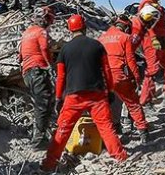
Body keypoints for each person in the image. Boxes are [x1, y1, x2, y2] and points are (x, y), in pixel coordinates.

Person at [41, 15, 126, 171]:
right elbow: (107, 71)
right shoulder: (97, 45)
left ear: (70, 29)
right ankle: (120, 158)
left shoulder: (65, 49)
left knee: (63, 129)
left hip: (74, 96)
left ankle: (49, 164)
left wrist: (59, 97)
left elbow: (61, 77)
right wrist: (110, 90)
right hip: (97, 95)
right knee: (106, 128)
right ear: (85, 27)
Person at [98, 13, 150, 144]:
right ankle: (143, 132)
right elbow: (131, 60)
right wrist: (137, 78)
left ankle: (111, 132)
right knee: (133, 104)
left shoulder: (102, 38)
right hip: (119, 75)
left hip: (104, 76)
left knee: (108, 105)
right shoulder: (125, 37)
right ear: (126, 27)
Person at [18, 7, 55, 148]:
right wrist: (50, 65)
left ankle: (41, 134)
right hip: (37, 70)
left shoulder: (26, 33)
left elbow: (20, 55)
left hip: (27, 72)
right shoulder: (41, 31)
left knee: (40, 102)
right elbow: (44, 48)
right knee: (43, 103)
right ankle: (38, 140)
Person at [137, 0, 165, 106]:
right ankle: (144, 101)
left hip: (163, 40)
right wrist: (153, 38)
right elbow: (146, 24)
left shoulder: (157, 5)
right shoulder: (147, 3)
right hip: (152, 42)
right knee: (152, 71)